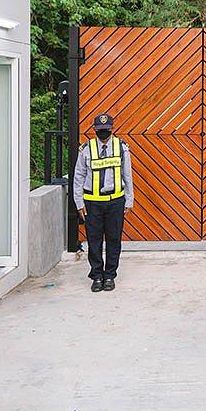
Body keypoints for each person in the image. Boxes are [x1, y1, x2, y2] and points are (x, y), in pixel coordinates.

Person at [73, 113, 134, 292]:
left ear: (112, 129)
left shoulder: (121, 148)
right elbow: (78, 176)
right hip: (92, 203)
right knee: (94, 241)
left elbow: (127, 175)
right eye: (100, 130)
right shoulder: (86, 149)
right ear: (94, 130)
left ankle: (110, 276)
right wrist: (79, 203)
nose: (103, 133)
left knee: (114, 240)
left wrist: (129, 200)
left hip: (115, 202)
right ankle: (97, 276)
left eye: (106, 130)